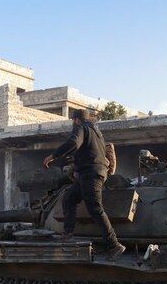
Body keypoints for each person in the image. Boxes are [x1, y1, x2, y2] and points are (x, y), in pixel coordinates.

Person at [43, 109, 125, 260]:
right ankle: (67, 234)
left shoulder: (81, 127)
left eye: (72, 121)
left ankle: (114, 245)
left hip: (90, 175)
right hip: (90, 174)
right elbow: (91, 153)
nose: (72, 123)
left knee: (95, 209)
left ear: (76, 120)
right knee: (69, 198)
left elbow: (74, 142)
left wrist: (52, 156)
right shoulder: (96, 132)